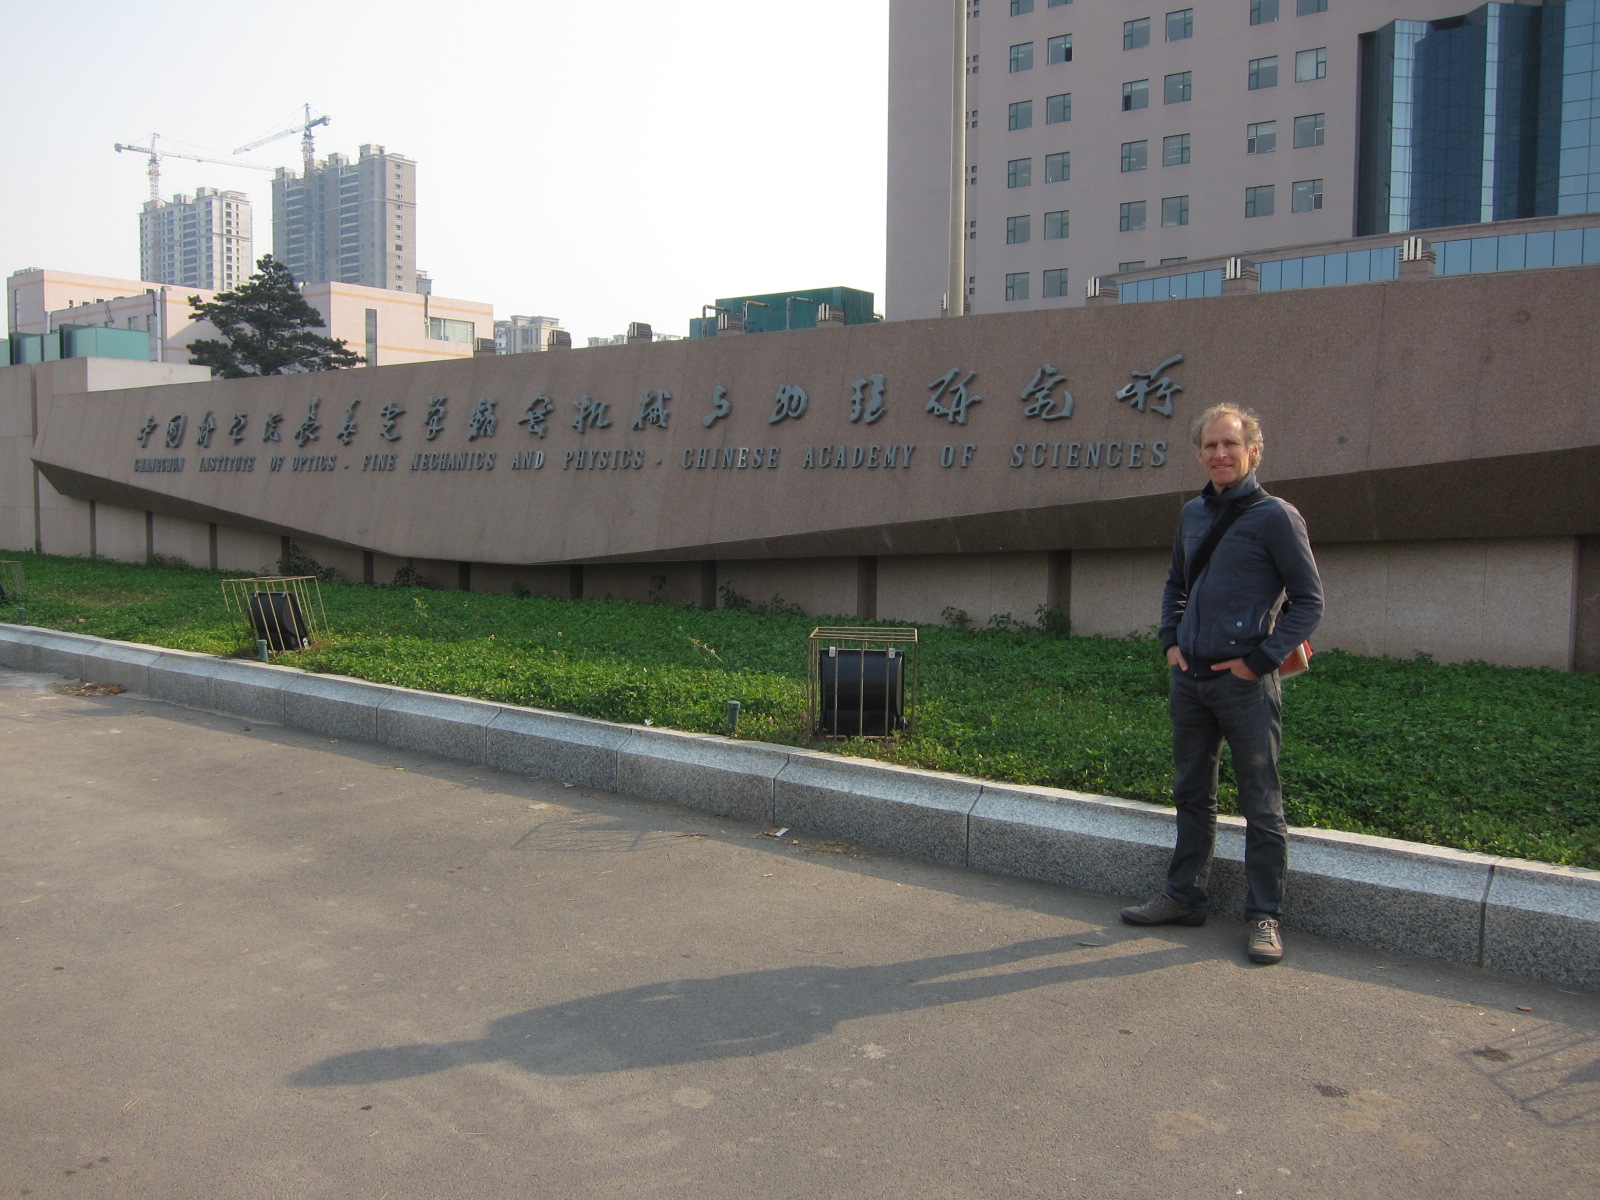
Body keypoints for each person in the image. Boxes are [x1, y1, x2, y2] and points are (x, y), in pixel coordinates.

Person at [1121, 404, 1323, 965]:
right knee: (1191, 791)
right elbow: (1176, 583)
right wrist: (1171, 641)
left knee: (1261, 801)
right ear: (1200, 454)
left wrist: (1259, 661)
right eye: (1210, 445)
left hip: (1245, 685)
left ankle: (1264, 916)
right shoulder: (1192, 513)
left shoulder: (1276, 517)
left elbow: (1308, 602)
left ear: (1253, 451)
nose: (1220, 454)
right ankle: (1184, 897)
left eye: (1230, 444)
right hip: (1190, 680)